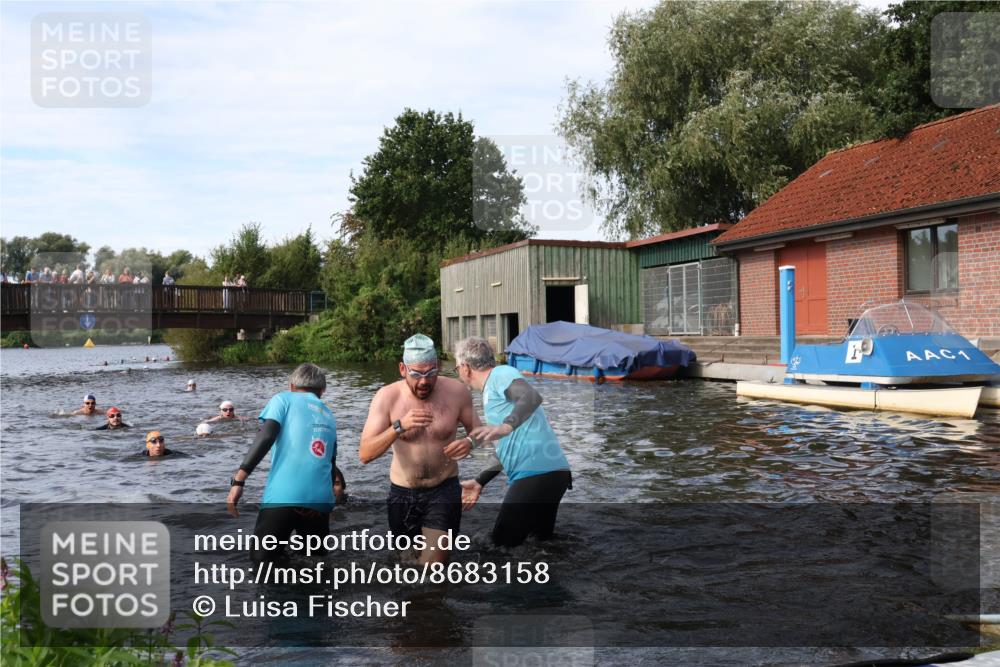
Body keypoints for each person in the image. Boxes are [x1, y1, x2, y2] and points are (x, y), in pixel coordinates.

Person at [359, 334, 477, 564]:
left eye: (430, 373)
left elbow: (480, 433)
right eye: (416, 374)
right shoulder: (387, 397)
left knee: (433, 568)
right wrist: (398, 427)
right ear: (403, 369)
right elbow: (365, 454)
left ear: (439, 367)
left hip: (444, 490)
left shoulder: (457, 392)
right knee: (407, 567)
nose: (424, 381)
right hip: (402, 493)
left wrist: (470, 442)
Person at [455, 337, 572, 547]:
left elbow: (531, 397)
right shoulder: (493, 391)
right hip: (552, 474)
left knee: (499, 547)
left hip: (535, 475)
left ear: (465, 367)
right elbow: (507, 447)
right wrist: (480, 481)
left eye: (456, 368)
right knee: (540, 547)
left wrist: (506, 426)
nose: (458, 373)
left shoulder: (500, 374)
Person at [227, 363, 338, 563]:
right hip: (321, 500)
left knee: (263, 563)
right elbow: (330, 462)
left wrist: (239, 480)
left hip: (284, 495)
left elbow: (266, 436)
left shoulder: (283, 399)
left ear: (292, 386)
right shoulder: (329, 415)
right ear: (322, 390)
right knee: (315, 566)